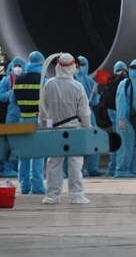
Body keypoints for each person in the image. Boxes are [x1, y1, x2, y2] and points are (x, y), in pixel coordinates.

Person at [39, 53, 91, 205]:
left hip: (55, 131)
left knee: (53, 164)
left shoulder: (49, 84)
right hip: (74, 130)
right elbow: (84, 111)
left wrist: (46, 128)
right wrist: (87, 128)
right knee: (75, 164)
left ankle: (52, 196)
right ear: (73, 65)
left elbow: (43, 110)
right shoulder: (77, 86)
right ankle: (77, 196)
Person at [16, 51, 46, 194]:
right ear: (41, 63)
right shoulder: (43, 80)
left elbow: (12, 101)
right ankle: (37, 186)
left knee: (24, 154)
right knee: (38, 155)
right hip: (37, 119)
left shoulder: (19, 80)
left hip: (23, 119)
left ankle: (24, 185)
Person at [114, 59, 136, 178]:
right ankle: (121, 169)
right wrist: (121, 118)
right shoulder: (125, 83)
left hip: (133, 119)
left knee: (132, 145)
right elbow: (121, 101)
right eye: (132, 68)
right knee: (125, 145)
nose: (135, 70)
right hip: (125, 119)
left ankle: (131, 168)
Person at [74, 56, 104, 177]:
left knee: (94, 141)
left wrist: (95, 96)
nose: (81, 66)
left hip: (88, 113)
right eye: (79, 64)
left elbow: (96, 101)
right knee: (77, 143)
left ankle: (92, 168)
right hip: (75, 115)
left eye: (83, 64)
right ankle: (76, 169)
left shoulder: (91, 82)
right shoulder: (73, 80)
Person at [0, 56, 25, 178]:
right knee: (10, 142)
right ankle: (7, 168)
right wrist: (9, 94)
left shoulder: (25, 79)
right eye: (16, 66)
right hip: (12, 113)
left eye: (20, 66)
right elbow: (1, 96)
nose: (18, 68)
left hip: (23, 113)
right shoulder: (6, 81)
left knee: (20, 143)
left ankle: (16, 167)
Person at [106, 60, 128, 176]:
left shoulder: (111, 80)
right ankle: (120, 169)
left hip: (112, 113)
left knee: (115, 141)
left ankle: (112, 167)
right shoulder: (124, 81)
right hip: (120, 114)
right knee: (123, 143)